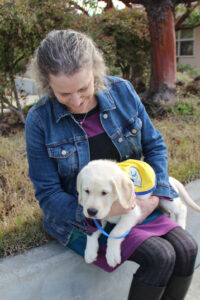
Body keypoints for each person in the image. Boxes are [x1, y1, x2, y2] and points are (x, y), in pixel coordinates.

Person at [25, 29, 198, 300]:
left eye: (84, 88)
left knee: (187, 249)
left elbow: (155, 147)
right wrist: (106, 212)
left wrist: (153, 197)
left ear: (95, 71)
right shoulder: (39, 121)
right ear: (47, 83)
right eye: (64, 94)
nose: (77, 100)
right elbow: (48, 195)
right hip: (81, 217)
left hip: (135, 202)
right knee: (160, 257)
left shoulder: (122, 92)